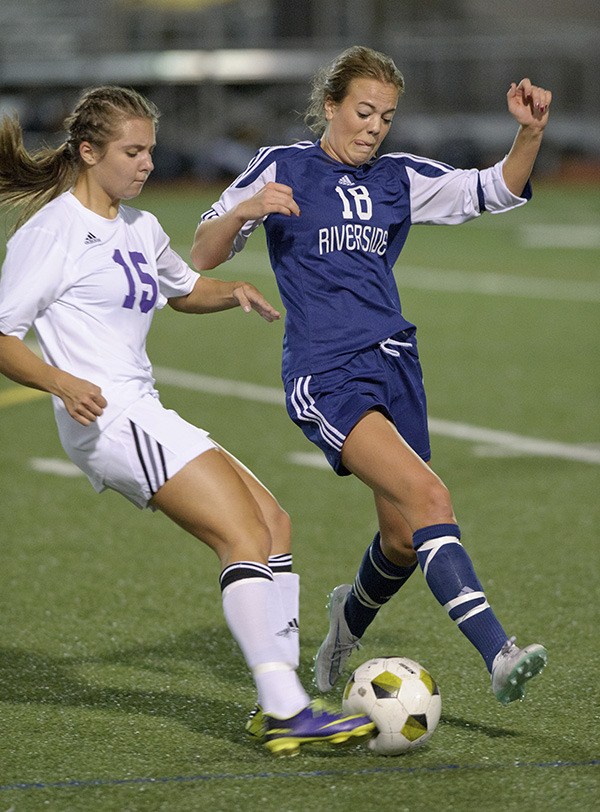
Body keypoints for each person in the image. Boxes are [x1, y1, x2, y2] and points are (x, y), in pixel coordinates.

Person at [0, 85, 376, 755]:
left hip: (142, 407)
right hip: (108, 418)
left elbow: (181, 288)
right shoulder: (52, 232)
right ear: (89, 152)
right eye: (131, 151)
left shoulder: (139, 227)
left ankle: (281, 697)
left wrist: (229, 291)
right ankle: (285, 708)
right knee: (239, 533)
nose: (146, 164)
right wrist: (58, 380)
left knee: (272, 523)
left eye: (150, 150)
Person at [190, 46, 551, 706]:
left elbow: (496, 190)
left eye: (385, 116)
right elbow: (202, 250)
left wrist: (529, 132)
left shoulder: (399, 178)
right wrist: (245, 211)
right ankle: (500, 654)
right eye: (362, 111)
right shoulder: (283, 166)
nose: (373, 127)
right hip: (327, 373)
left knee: (401, 538)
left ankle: (342, 630)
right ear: (330, 107)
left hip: (396, 366)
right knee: (431, 501)